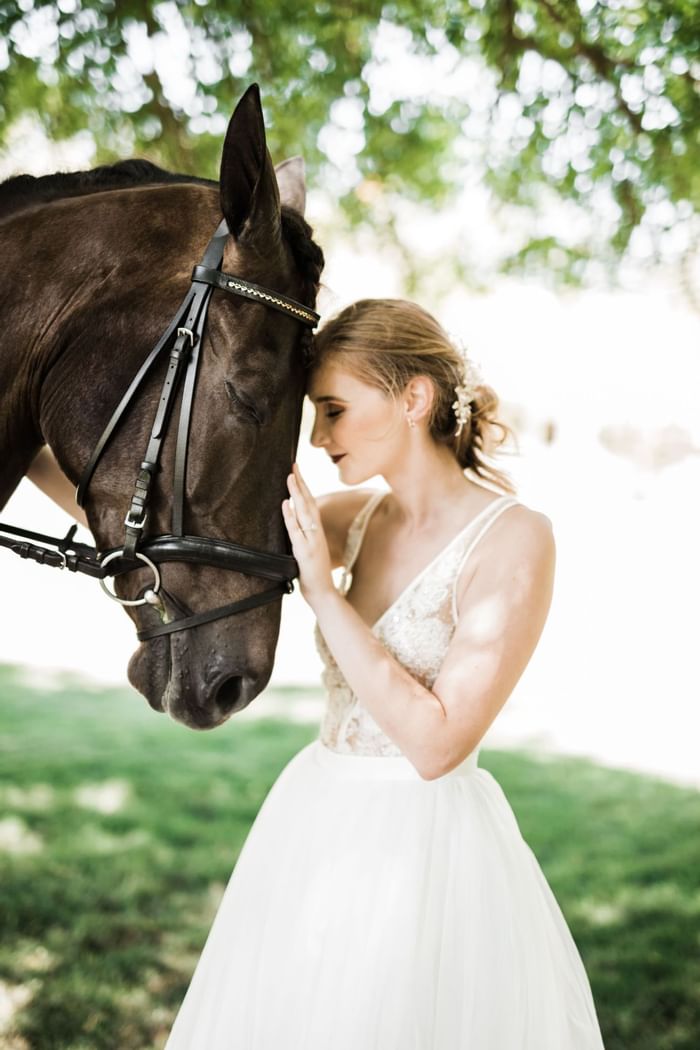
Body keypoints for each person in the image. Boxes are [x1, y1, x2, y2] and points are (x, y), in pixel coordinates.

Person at [163, 298, 606, 1048]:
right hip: (313, 821)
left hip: (427, 850)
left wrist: (322, 594)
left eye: (334, 409)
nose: (316, 435)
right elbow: (181, 535)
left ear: (414, 398)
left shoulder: (515, 541)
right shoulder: (354, 519)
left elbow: (437, 746)